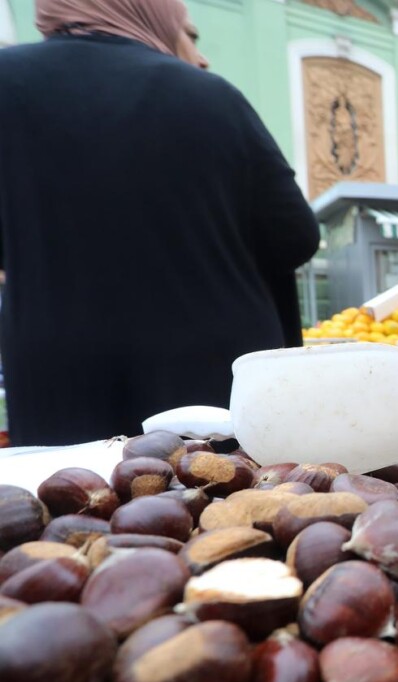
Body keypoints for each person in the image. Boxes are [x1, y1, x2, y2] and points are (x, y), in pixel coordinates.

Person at [0, 0, 319, 446]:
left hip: (59, 376)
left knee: (73, 503)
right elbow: (295, 237)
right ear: (149, 15)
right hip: (210, 378)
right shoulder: (210, 95)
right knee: (224, 504)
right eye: (191, 34)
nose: (201, 55)